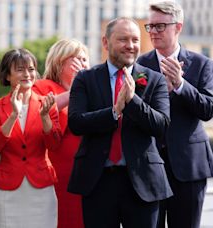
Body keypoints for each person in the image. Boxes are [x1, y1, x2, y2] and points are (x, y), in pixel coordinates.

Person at [67, 17, 173, 228]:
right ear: (106, 43)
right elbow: (76, 123)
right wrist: (114, 112)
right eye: (123, 39)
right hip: (98, 181)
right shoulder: (85, 79)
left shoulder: (154, 79)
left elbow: (161, 125)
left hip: (143, 181)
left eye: (135, 39)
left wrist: (133, 101)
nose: (131, 45)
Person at [137, 2, 213, 228]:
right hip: (151, 166)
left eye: (159, 26)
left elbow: (208, 109)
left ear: (178, 27)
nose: (153, 32)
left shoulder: (202, 64)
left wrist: (180, 84)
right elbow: (135, 112)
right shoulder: (141, 64)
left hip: (189, 166)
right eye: (150, 26)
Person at [0, 48, 62, 228]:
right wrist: (13, 115)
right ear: (7, 75)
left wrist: (44, 117)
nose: (27, 74)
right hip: (8, 189)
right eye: (20, 69)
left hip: (41, 188)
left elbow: (54, 144)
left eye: (31, 69)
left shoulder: (48, 104)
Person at [32, 38, 89, 228]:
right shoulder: (42, 87)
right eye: (75, 59)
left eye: (84, 59)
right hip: (56, 174)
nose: (82, 64)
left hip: (87, 172)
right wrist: (74, 90)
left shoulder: (91, 90)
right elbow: (39, 111)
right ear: (59, 62)